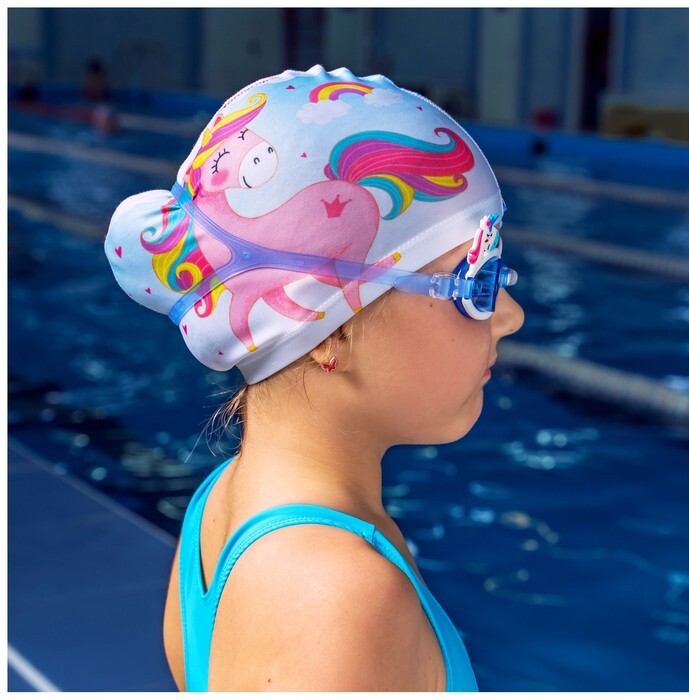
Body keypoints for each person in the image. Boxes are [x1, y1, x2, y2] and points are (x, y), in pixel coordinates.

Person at [105, 65, 524, 692]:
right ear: (328, 329)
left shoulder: (222, 501)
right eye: (477, 283)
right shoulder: (336, 595)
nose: (510, 315)